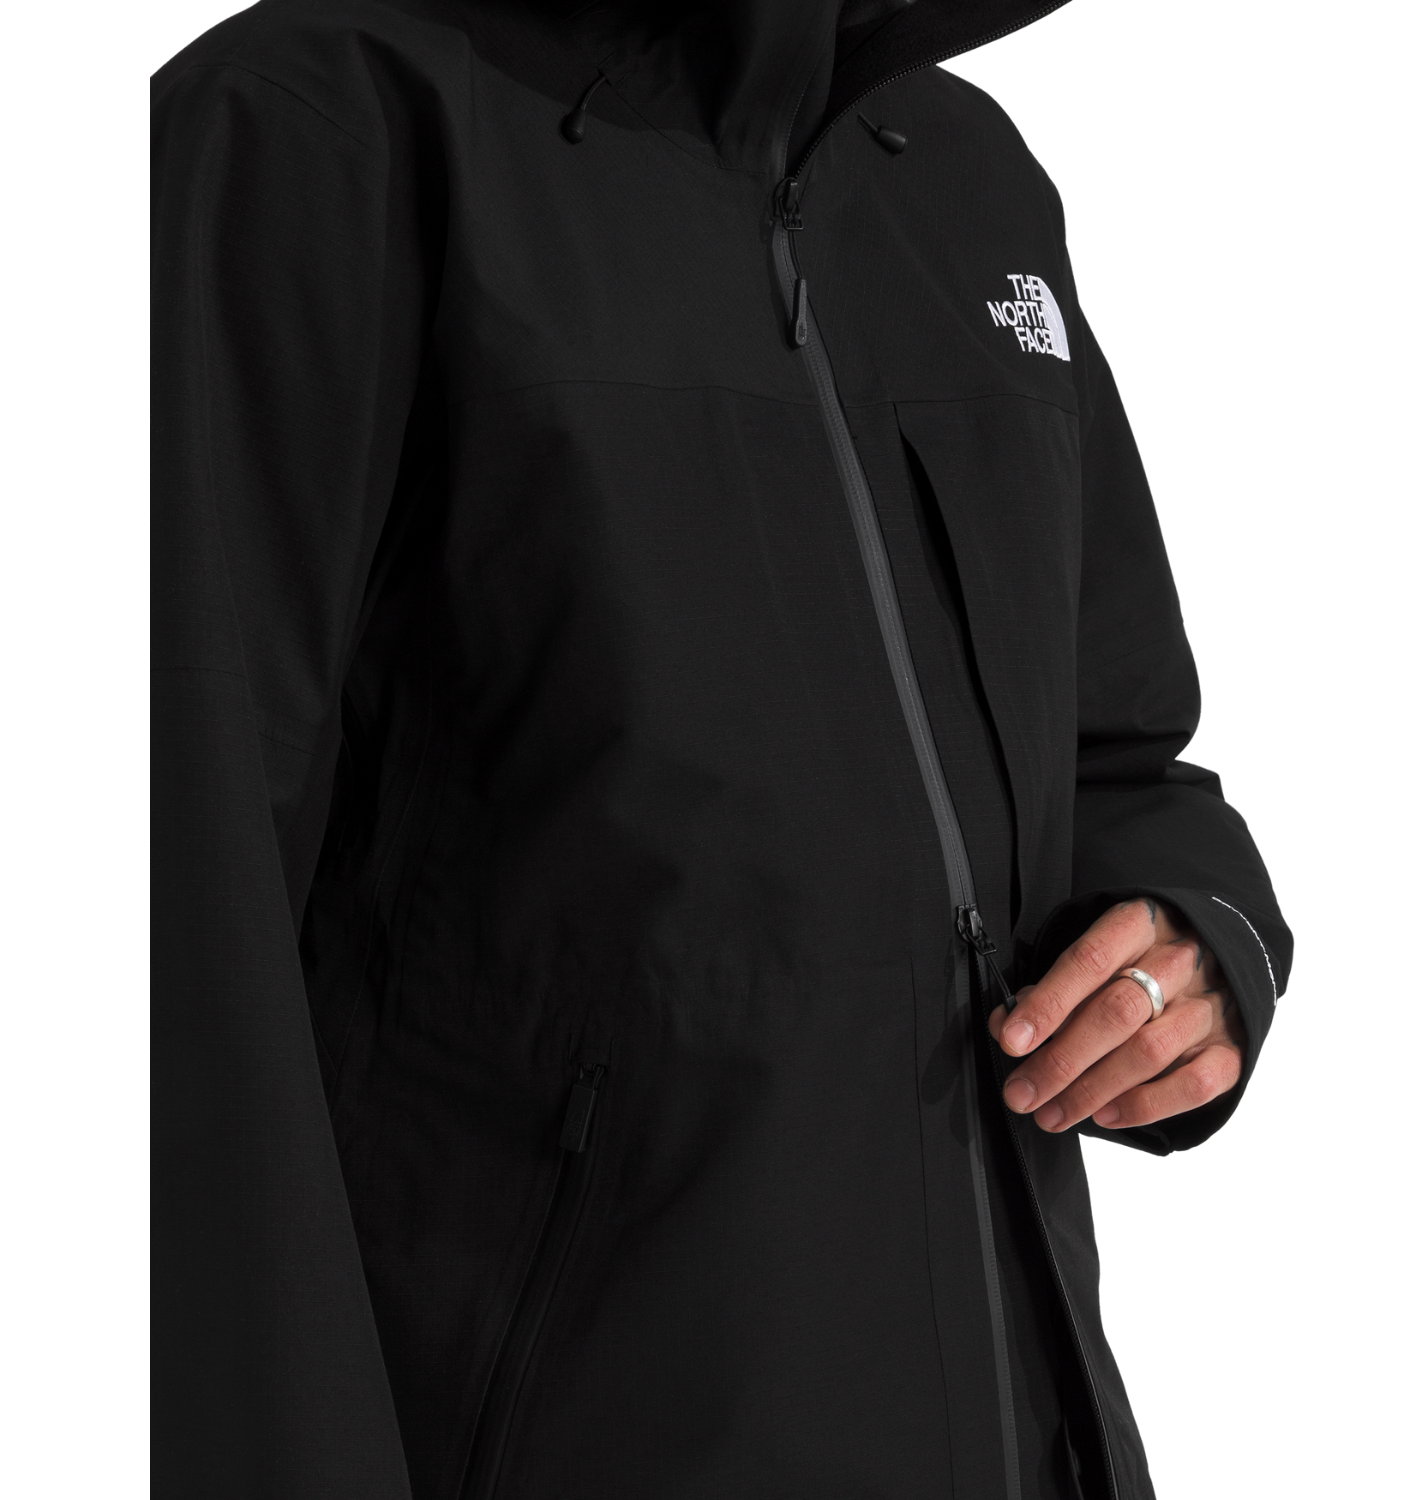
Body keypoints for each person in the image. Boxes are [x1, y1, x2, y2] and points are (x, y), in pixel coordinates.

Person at [152, 2, 1291, 1497]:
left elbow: (1115, 756)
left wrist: (1198, 943)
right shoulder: (314, 123)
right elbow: (170, 921)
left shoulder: (961, 175)